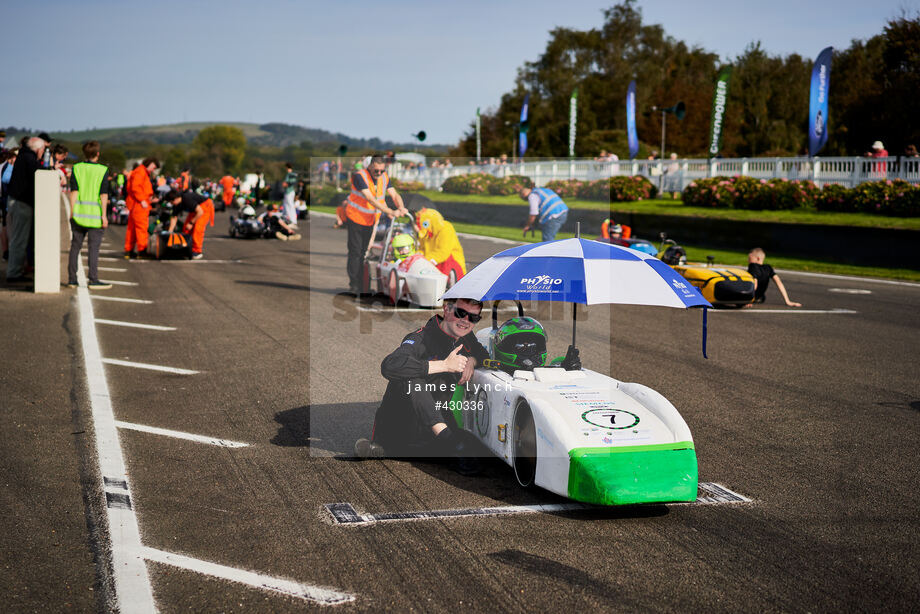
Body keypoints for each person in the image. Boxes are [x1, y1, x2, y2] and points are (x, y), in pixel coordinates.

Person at [354, 297, 490, 474]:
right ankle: (448, 441)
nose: (466, 321)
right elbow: (390, 365)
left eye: (473, 317)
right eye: (460, 313)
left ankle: (447, 445)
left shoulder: (466, 337)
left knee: (480, 453)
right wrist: (443, 365)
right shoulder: (420, 337)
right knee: (410, 377)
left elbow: (484, 355)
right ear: (446, 309)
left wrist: (472, 360)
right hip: (401, 429)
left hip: (430, 437)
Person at [344, 155, 408, 294]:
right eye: (376, 171)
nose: (379, 174)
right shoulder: (360, 176)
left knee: (363, 252)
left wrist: (401, 207)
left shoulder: (384, 177)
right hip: (356, 218)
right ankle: (354, 286)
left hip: (370, 219)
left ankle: (362, 286)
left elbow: (394, 194)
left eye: (381, 170)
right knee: (355, 251)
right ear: (370, 166)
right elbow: (370, 198)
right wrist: (390, 211)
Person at [66, 141, 112, 290]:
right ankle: (93, 279)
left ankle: (72, 280)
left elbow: (74, 191)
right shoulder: (103, 170)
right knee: (93, 249)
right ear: (97, 154)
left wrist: (72, 211)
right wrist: (104, 216)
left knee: (75, 247)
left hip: (79, 214)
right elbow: (103, 194)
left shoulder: (77, 168)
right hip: (95, 216)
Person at [5, 135, 49, 283]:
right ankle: (14, 273)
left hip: (17, 200)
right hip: (21, 202)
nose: (44, 151)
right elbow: (38, 174)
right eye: (43, 149)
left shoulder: (24, 156)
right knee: (19, 239)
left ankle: (16, 270)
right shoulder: (29, 159)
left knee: (18, 238)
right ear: (38, 149)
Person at [163, 188, 215, 259]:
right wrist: (170, 231)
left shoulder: (186, 199)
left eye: (171, 202)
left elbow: (200, 212)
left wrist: (191, 223)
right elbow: (174, 218)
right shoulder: (177, 204)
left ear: (175, 199)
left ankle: (197, 251)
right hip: (196, 209)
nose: (171, 204)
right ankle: (186, 248)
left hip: (205, 206)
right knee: (185, 229)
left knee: (197, 229)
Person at [124, 157, 160, 258]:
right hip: (139, 205)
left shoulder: (140, 172)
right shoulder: (141, 172)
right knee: (141, 228)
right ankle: (142, 251)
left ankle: (129, 251)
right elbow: (136, 187)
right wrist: (143, 200)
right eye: (154, 167)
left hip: (136, 204)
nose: (154, 169)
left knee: (132, 229)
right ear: (150, 163)